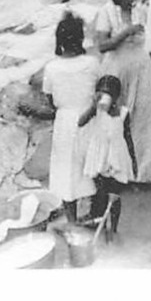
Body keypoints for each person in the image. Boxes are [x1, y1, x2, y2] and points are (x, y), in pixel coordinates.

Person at [93, 0, 151, 185]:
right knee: (116, 121)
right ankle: (116, 171)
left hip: (142, 69)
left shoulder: (140, 10)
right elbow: (103, 45)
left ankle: (144, 174)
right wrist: (126, 32)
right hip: (116, 71)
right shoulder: (106, 12)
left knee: (145, 121)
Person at [40, 12, 99, 219]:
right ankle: (94, 212)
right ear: (81, 39)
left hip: (65, 122)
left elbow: (50, 101)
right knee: (92, 166)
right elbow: (98, 92)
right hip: (89, 118)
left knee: (66, 171)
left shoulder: (51, 68)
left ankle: (72, 219)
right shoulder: (92, 63)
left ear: (60, 41)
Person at [79, 74, 135, 234]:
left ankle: (114, 228)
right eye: (101, 93)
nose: (105, 98)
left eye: (108, 94)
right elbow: (80, 122)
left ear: (116, 96)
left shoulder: (123, 113)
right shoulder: (96, 110)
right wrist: (92, 105)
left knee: (114, 195)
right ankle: (98, 220)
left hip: (117, 156)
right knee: (99, 191)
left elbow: (128, 137)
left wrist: (133, 161)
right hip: (99, 156)